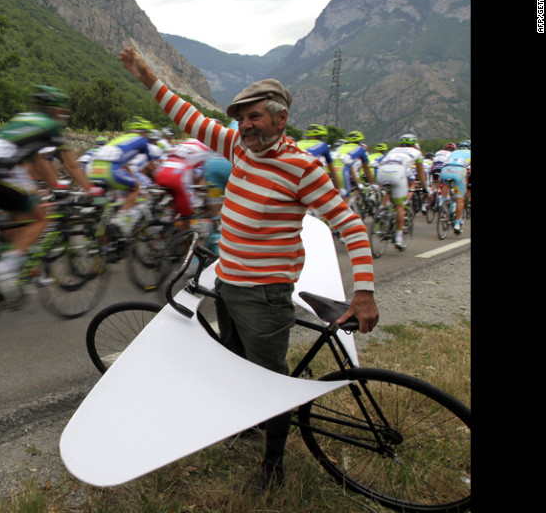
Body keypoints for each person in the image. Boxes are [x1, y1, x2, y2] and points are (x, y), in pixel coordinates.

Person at [120, 46, 379, 493]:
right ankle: (248, 424)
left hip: (264, 294)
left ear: (280, 118)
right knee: (236, 362)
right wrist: (147, 76)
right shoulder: (240, 146)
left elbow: (351, 225)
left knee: (267, 379)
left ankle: (272, 467)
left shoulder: (303, 168)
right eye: (240, 118)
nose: (245, 126)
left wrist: (365, 293)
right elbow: (190, 117)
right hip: (228, 283)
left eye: (254, 116)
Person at [0, 85, 84, 300]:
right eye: (61, 109)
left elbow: (37, 160)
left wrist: (54, 185)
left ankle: (8, 252)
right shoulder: (50, 125)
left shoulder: (25, 118)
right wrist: (90, 189)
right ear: (55, 109)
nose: (63, 114)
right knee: (40, 218)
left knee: (20, 214)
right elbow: (70, 164)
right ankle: (6, 267)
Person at [86, 116, 165, 234]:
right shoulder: (142, 141)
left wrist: (132, 177)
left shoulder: (121, 138)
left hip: (92, 169)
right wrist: (160, 183)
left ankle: (102, 232)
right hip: (110, 170)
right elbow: (153, 166)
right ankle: (120, 221)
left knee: (106, 201)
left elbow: (126, 165)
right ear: (144, 132)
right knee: (137, 188)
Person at [374, 134, 427, 249]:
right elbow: (421, 173)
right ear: (414, 144)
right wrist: (425, 187)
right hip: (397, 174)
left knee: (388, 192)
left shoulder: (393, 150)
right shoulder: (416, 152)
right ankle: (398, 237)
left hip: (381, 173)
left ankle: (382, 211)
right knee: (400, 206)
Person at [151, 137, 213, 230]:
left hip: (161, 172)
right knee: (187, 211)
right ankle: (186, 240)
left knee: (177, 200)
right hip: (176, 177)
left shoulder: (188, 141)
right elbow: (203, 175)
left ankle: (168, 226)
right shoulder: (207, 149)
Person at [332, 131, 377, 207]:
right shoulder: (361, 149)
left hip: (331, 171)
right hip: (344, 173)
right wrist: (372, 184)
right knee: (346, 199)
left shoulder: (340, 148)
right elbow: (367, 171)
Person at [439, 141, 471, 234]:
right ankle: (457, 223)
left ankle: (443, 201)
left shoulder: (453, 152)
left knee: (446, 184)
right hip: (458, 172)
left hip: (445, 171)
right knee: (459, 199)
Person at [295, 124, 340, 189]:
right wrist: (339, 190)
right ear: (321, 137)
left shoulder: (298, 143)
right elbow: (332, 171)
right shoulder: (323, 145)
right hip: (310, 177)